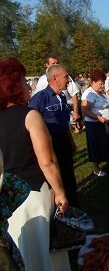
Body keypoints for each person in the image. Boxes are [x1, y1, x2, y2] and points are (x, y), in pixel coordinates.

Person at [0, 58, 69, 271]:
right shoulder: (30, 116)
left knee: (20, 255)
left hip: (7, 200)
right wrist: (60, 192)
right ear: (14, 85)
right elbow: (47, 161)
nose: (28, 86)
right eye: (22, 81)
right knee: (43, 254)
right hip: (34, 195)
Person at [29, 64, 80, 208]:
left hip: (64, 143)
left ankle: (73, 205)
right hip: (50, 147)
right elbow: (31, 122)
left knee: (69, 175)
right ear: (55, 78)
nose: (69, 80)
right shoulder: (40, 98)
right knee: (56, 177)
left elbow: (64, 123)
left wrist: (70, 140)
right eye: (66, 77)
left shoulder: (62, 97)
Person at [81, 68, 109, 177]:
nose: (102, 86)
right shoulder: (90, 94)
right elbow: (84, 110)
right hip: (95, 124)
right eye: (100, 84)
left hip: (106, 123)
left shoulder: (101, 93)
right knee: (96, 146)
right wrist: (98, 118)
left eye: (103, 84)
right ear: (93, 82)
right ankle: (96, 169)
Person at [33, 55, 80, 122]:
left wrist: (75, 112)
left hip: (66, 109)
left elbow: (74, 95)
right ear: (47, 65)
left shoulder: (62, 94)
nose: (56, 65)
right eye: (53, 63)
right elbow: (37, 101)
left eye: (57, 63)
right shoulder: (41, 81)